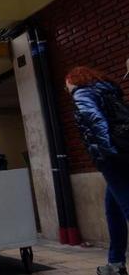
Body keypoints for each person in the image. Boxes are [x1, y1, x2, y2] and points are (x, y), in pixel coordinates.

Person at [65, 66, 129, 275]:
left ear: (72, 80)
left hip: (112, 157)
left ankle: (116, 263)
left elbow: (94, 121)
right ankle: (116, 263)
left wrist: (108, 154)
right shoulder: (108, 89)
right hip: (125, 149)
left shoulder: (82, 92)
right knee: (113, 210)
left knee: (126, 205)